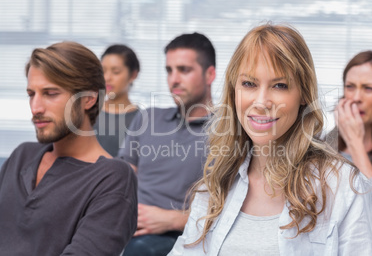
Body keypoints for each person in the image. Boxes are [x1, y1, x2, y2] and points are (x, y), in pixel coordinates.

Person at [168, 23, 372, 255]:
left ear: (303, 95)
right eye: (249, 83)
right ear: (234, 91)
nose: (261, 102)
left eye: (280, 85)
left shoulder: (344, 187)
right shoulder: (217, 184)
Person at [0, 42, 138, 255]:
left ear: (89, 99)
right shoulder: (22, 155)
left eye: (50, 93)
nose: (35, 107)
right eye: (31, 94)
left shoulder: (112, 177)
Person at [118, 32, 216, 256]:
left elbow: (233, 208)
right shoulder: (147, 118)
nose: (174, 79)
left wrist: (173, 220)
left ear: (210, 74)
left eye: (184, 70)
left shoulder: (227, 132)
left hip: (180, 235)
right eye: (169, 70)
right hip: (128, 227)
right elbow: (120, 180)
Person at [327, 50, 372, 255]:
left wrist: (356, 145)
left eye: (368, 89)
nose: (356, 97)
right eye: (350, 87)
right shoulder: (324, 147)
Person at [93, 44, 140, 156]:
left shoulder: (141, 119)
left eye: (116, 72)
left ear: (133, 75)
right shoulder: (89, 112)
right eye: (103, 71)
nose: (107, 78)